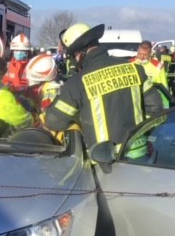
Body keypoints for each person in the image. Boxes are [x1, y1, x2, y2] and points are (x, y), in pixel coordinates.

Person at [42, 22, 159, 158]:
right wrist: (145, 137)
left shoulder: (76, 83)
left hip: (104, 163)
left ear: (79, 54)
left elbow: (54, 121)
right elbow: (156, 107)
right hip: (139, 156)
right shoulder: (136, 70)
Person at [130, 40, 171, 109]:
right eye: (140, 54)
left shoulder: (158, 66)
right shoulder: (129, 64)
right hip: (133, 101)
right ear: (137, 51)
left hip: (150, 102)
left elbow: (164, 86)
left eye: (145, 55)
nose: (142, 57)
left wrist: (166, 106)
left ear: (150, 53)